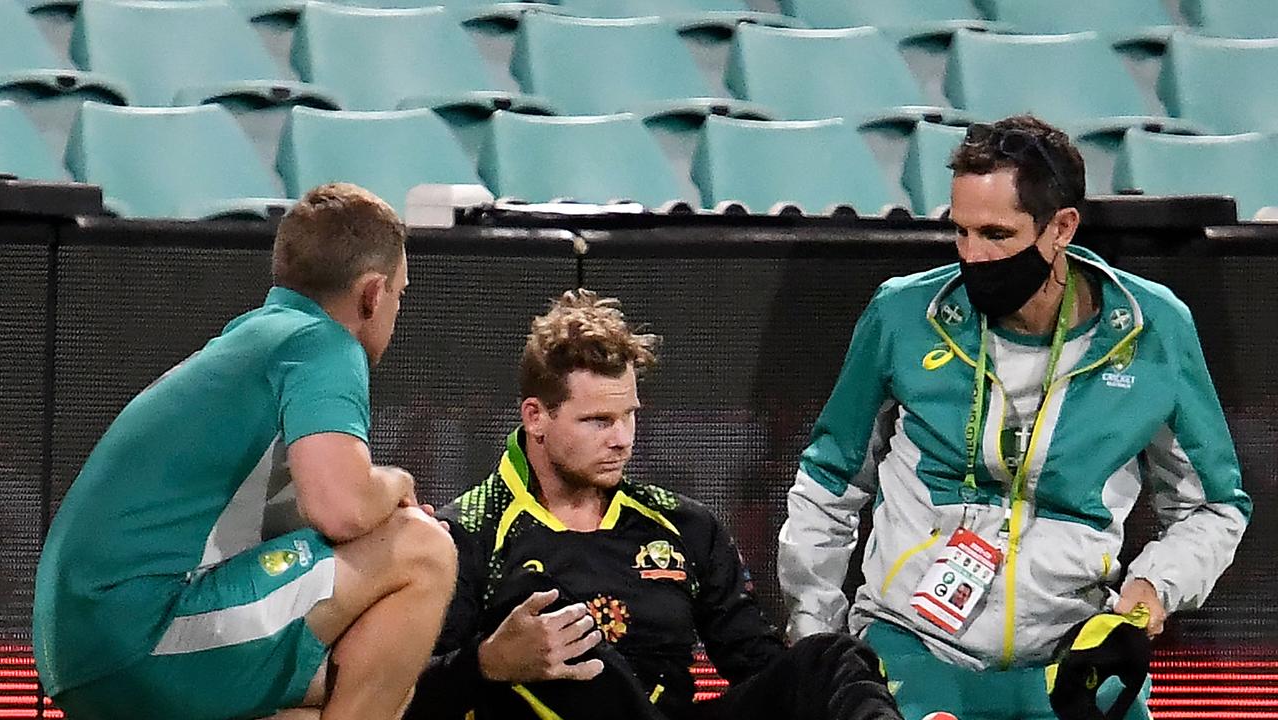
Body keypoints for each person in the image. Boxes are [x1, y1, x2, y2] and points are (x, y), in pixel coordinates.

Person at [778, 115, 1252, 720]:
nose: (973, 257)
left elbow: (1215, 506)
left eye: (997, 235)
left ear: (1061, 228)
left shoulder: (1154, 330)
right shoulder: (902, 313)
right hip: (909, 645)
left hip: (1070, 659)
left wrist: (1146, 596)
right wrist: (818, 641)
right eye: (961, 233)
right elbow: (829, 482)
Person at [34, 183, 458, 720]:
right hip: (144, 635)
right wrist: (396, 483)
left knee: (359, 677)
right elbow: (343, 507)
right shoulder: (321, 343)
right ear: (373, 295)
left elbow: (293, 520)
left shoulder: (252, 339)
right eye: (400, 294)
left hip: (84, 652)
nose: (396, 310)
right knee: (421, 550)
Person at [409, 290, 903, 720]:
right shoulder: (467, 533)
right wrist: (487, 662)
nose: (622, 440)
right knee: (563, 631)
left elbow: (760, 666)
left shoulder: (685, 525)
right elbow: (405, 700)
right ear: (536, 417)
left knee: (830, 659)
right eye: (598, 421)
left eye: (629, 416)